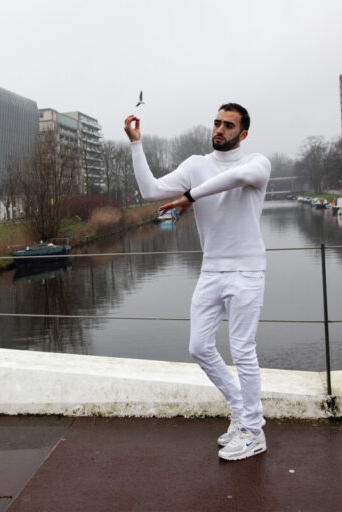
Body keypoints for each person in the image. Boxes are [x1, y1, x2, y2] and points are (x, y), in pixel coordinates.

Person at [124, 103, 271, 461]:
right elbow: (151, 191)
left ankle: (254, 432)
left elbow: (234, 180)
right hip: (211, 270)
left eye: (229, 125)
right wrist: (136, 145)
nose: (220, 129)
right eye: (217, 123)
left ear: (243, 134)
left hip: (247, 270)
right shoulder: (195, 165)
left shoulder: (257, 164)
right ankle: (239, 411)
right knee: (199, 347)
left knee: (242, 350)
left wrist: (190, 196)